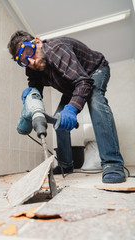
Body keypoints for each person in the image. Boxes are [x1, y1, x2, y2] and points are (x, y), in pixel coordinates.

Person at [7, 30, 126, 184]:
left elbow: (84, 82)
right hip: (73, 84)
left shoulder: (56, 50)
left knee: (95, 100)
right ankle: (65, 165)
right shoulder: (31, 66)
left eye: (28, 52)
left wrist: (71, 109)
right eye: (23, 61)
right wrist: (31, 95)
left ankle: (113, 163)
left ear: (37, 42)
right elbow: (35, 86)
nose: (30, 62)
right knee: (59, 119)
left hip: (94, 71)